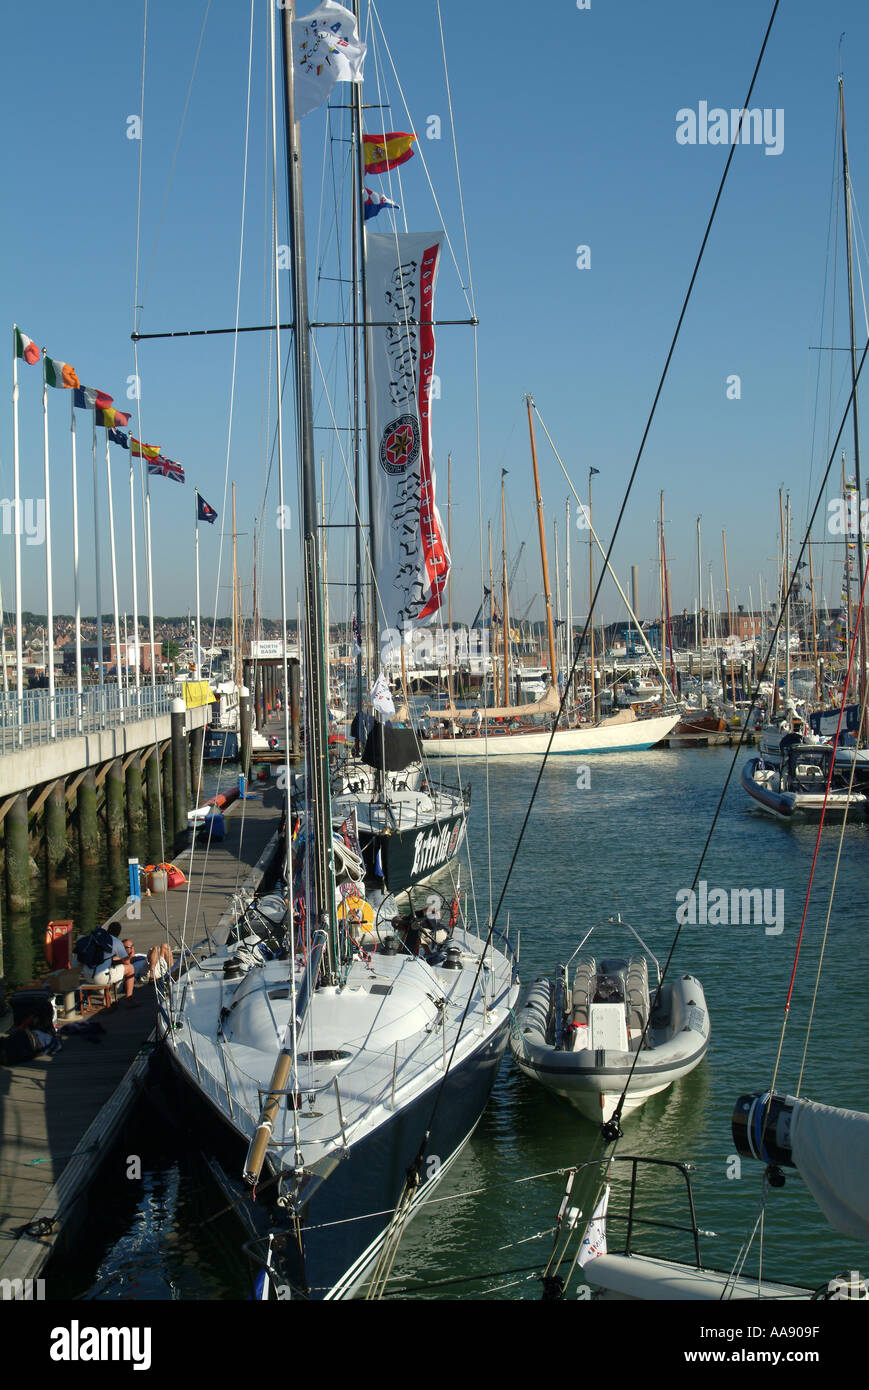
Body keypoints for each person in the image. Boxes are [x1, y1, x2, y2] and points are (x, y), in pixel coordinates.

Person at [82, 932, 135, 999]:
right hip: (102, 981)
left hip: (88, 978)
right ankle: (129, 999)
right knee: (130, 968)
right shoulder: (115, 946)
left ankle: (107, 997)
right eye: (129, 947)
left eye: (133, 946)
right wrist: (129, 956)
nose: (132, 949)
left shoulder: (93, 944)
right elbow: (126, 962)